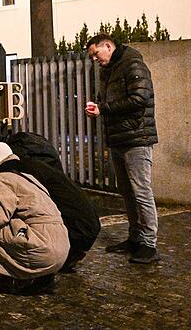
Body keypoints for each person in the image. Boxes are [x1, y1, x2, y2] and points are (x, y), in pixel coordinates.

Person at [0, 132, 100, 272]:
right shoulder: (26, 160)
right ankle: (59, 262)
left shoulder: (10, 173)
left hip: (71, 231)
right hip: (82, 225)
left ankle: (14, 271)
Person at [0, 142, 69, 295]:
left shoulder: (2, 178)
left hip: (41, 250)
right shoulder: (27, 177)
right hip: (61, 249)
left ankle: (5, 278)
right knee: (13, 222)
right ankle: (42, 279)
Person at [85, 34, 159, 264]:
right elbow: (109, 98)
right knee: (127, 192)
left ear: (108, 46)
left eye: (96, 54)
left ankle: (149, 243)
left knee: (141, 191)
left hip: (136, 137)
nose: (95, 59)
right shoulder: (109, 70)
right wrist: (98, 105)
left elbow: (140, 98)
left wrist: (103, 109)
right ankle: (135, 238)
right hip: (119, 137)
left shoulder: (132, 64)